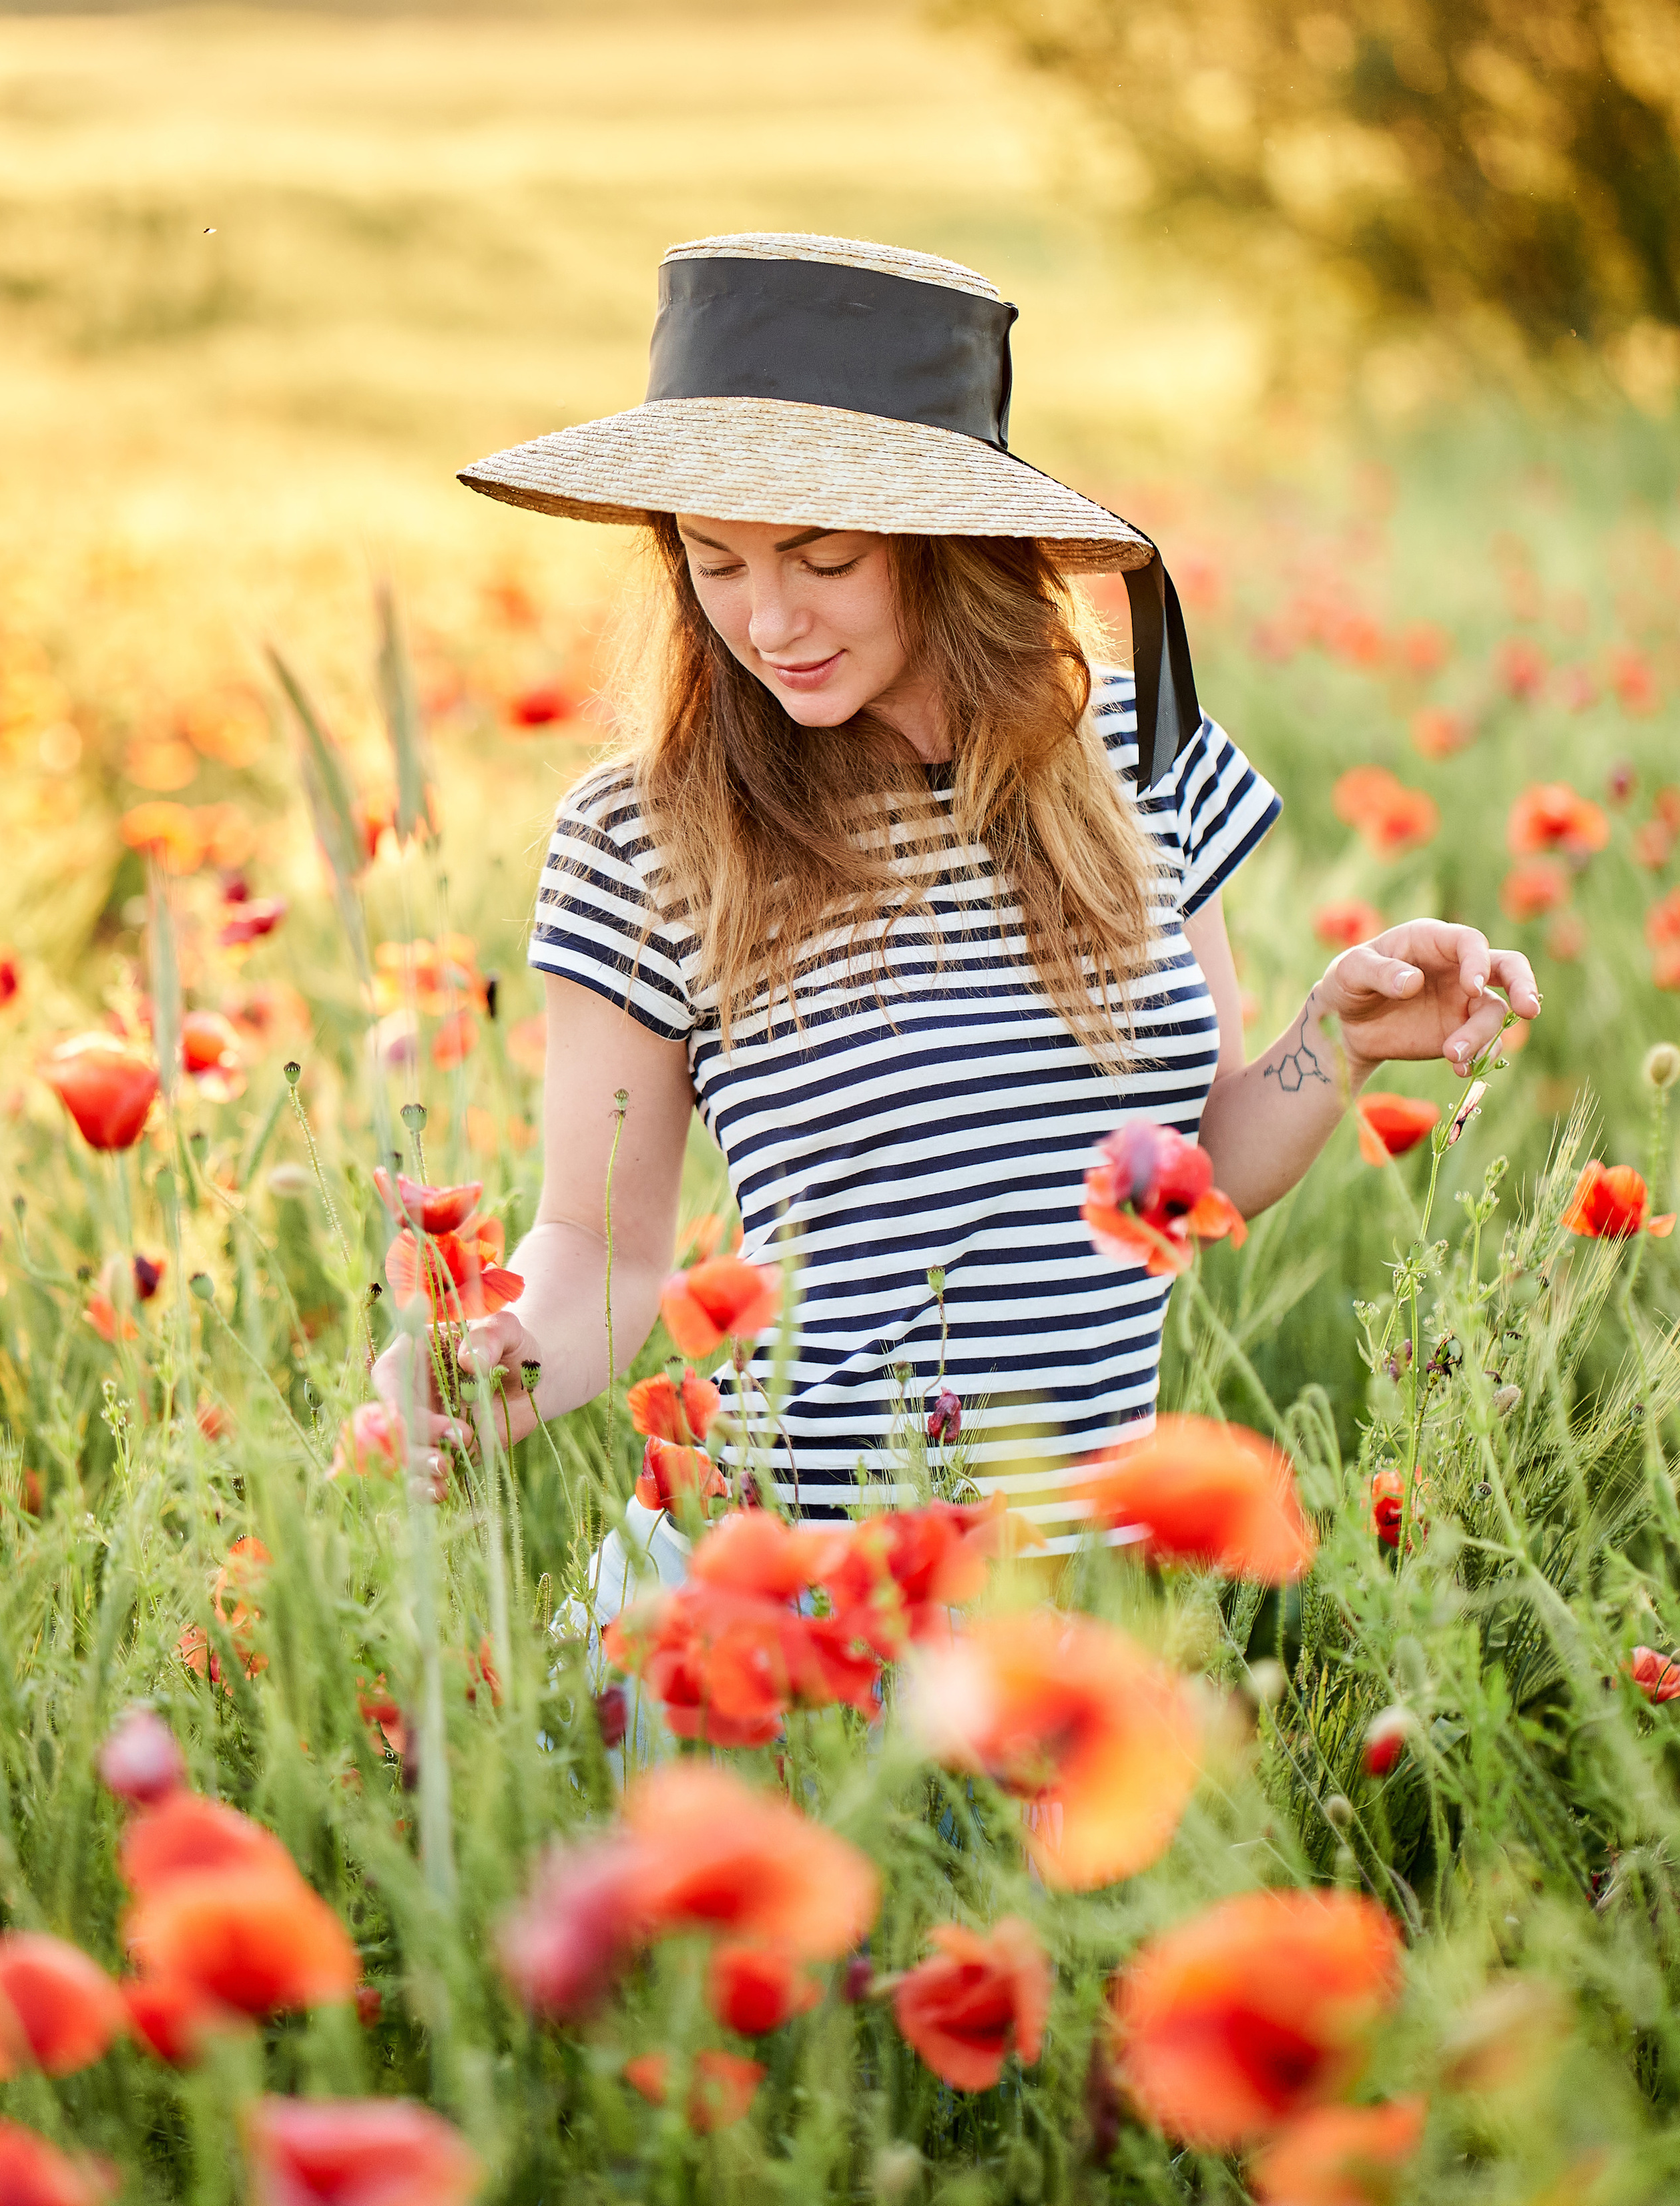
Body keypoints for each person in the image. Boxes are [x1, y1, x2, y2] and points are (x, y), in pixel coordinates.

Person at [376, 231, 1540, 1547]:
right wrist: (491, 1358)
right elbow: (604, 1250)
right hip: (805, 1599)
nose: (765, 620)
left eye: (820, 561)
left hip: (1082, 1605)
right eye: (714, 561)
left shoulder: (1142, 761)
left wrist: (1332, 1037)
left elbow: (1183, 1167)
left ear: (947, 543)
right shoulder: (644, 840)